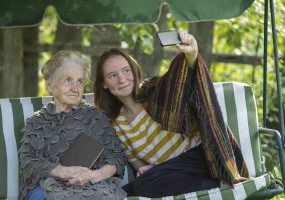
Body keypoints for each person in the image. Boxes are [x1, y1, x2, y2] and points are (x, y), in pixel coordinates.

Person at [94, 32, 249, 198]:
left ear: (134, 70)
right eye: (112, 76)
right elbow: (135, 161)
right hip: (170, 173)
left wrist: (191, 55)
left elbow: (180, 83)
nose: (122, 79)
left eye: (126, 71)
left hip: (199, 158)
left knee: (140, 186)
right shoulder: (118, 125)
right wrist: (143, 168)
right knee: (130, 189)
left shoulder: (153, 92)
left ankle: (222, 185)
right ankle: (214, 187)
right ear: (104, 84)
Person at [19, 50, 127, 200]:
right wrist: (60, 171)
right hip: (48, 185)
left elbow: (116, 157)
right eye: (68, 80)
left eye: (80, 81)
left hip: (92, 185)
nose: (75, 88)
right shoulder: (36, 122)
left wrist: (94, 175)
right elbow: (28, 162)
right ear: (50, 85)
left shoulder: (96, 117)